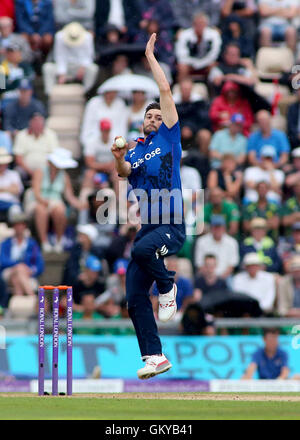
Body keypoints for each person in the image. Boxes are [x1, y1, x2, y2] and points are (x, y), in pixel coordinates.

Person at [111, 33, 186, 379]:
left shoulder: (169, 138)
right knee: (133, 295)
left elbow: (166, 93)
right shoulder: (137, 151)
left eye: (159, 116)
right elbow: (125, 172)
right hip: (149, 226)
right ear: (143, 121)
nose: (155, 119)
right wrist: (117, 158)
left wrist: (151, 59)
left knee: (142, 251)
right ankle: (155, 356)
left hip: (172, 223)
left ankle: (168, 287)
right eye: (150, 117)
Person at [28, 148, 85, 253]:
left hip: (55, 202)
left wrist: (80, 204)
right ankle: (44, 242)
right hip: (38, 201)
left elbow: (70, 196)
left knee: (60, 209)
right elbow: (36, 193)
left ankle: (59, 241)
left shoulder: (64, 176)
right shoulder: (40, 171)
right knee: (41, 210)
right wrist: (45, 202)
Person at [42, 22, 99, 95]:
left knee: (93, 68)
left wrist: (83, 67)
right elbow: (59, 56)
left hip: (79, 67)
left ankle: (86, 94)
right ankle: (49, 95)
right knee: (47, 68)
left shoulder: (88, 37)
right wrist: (62, 72)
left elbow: (89, 56)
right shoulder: (59, 36)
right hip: (65, 66)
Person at [0, 210, 44, 296]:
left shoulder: (32, 244)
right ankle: (33, 297)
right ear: (13, 226)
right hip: (8, 271)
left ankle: (19, 304)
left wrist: (31, 270)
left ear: (25, 226)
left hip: (25, 272)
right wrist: (19, 265)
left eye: (21, 224)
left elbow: (39, 264)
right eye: (16, 224)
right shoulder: (6, 243)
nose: (19, 227)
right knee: (19, 269)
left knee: (16, 279)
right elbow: (3, 261)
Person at [175, 12, 222, 82]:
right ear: (193, 24)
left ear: (206, 24)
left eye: (202, 23)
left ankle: (211, 90)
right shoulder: (184, 35)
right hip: (189, 63)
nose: (200, 26)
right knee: (182, 67)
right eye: (197, 24)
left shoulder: (214, 35)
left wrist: (202, 63)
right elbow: (181, 55)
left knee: (215, 66)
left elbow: (214, 54)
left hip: (207, 63)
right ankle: (182, 88)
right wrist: (194, 64)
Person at [13, 113, 59, 182]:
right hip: (26, 170)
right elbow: (18, 158)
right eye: (35, 122)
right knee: (17, 172)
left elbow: (54, 156)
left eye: (40, 122)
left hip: (46, 169)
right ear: (30, 123)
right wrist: (31, 172)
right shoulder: (21, 135)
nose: (38, 124)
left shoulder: (51, 134)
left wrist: (42, 172)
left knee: (57, 171)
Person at [0, 148, 23, 219]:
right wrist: (9, 188)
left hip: (11, 203)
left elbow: (17, 190)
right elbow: (13, 189)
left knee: (16, 211)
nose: (2, 165)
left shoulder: (13, 174)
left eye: (4, 163)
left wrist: (2, 189)